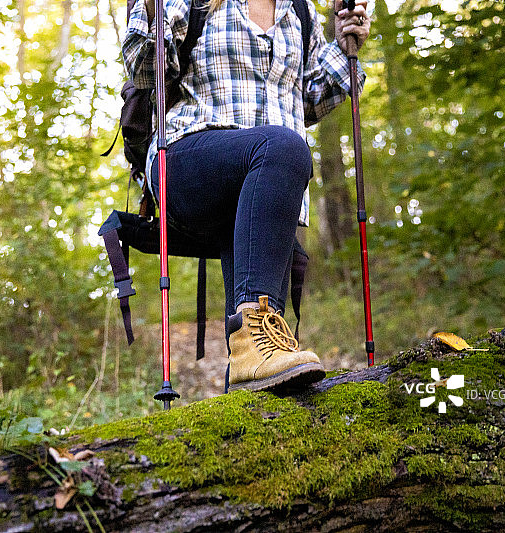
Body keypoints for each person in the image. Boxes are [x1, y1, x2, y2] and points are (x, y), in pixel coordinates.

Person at [123, 0, 371, 391]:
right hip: (189, 157)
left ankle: (246, 392)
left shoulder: (300, 12)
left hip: (263, 188)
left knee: (263, 341)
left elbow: (307, 99)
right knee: (285, 148)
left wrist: (344, 48)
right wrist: (158, 18)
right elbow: (142, 67)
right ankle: (253, 341)